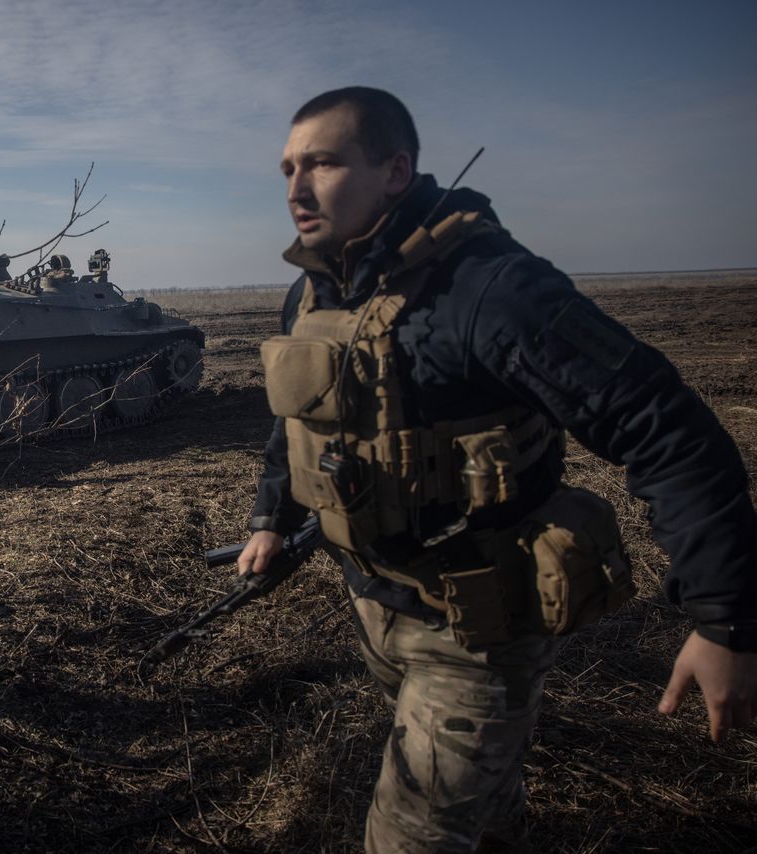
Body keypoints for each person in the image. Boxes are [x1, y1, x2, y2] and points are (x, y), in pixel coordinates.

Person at [236, 86, 757, 853]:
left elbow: (664, 426)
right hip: (376, 603)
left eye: (323, 162)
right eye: (286, 168)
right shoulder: (316, 289)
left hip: (479, 625)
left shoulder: (489, 288)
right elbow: (301, 426)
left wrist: (726, 620)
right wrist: (271, 519)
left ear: (395, 170)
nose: (295, 188)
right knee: (483, 810)